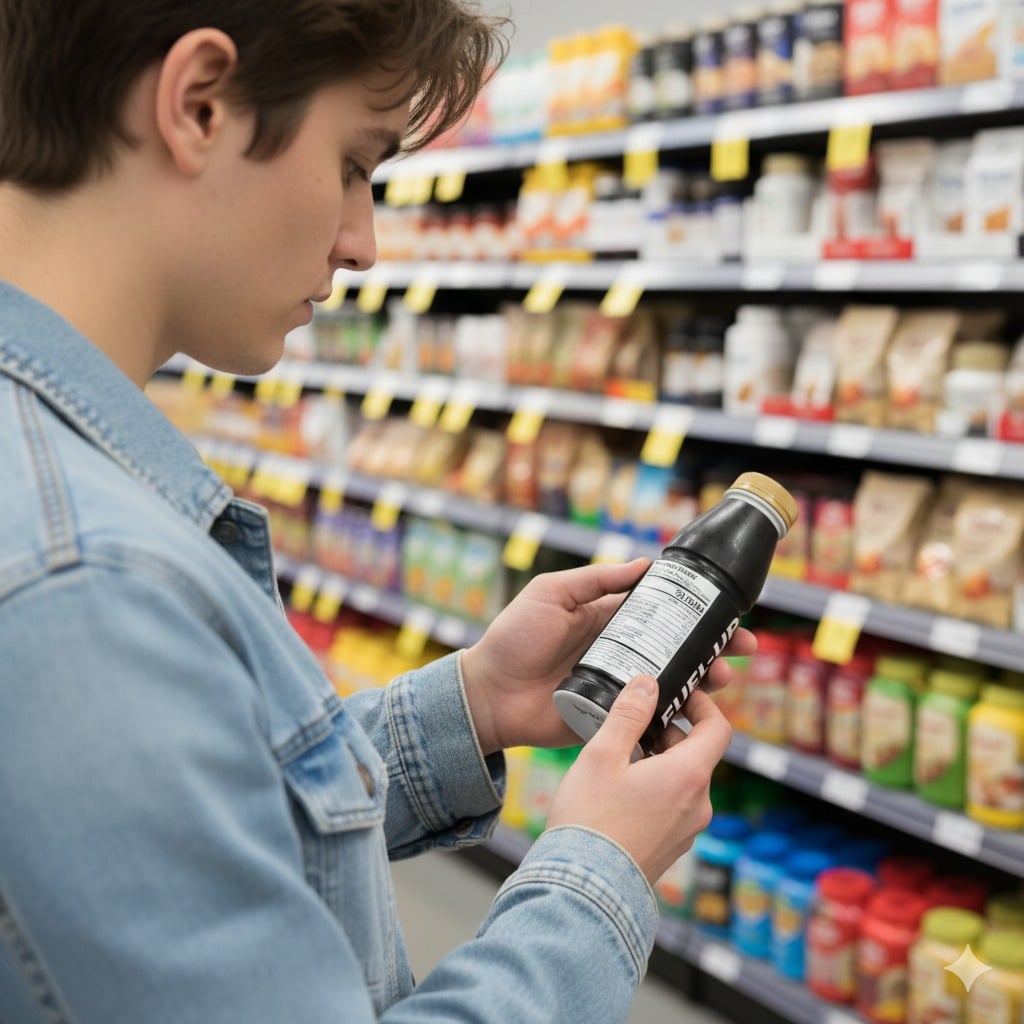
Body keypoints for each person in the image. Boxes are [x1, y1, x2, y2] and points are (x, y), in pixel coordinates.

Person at [0, 3, 752, 1022]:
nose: (364, 243)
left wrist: (475, 702)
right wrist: (596, 868)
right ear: (199, 104)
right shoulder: (78, 581)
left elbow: (195, 821)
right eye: (355, 164)